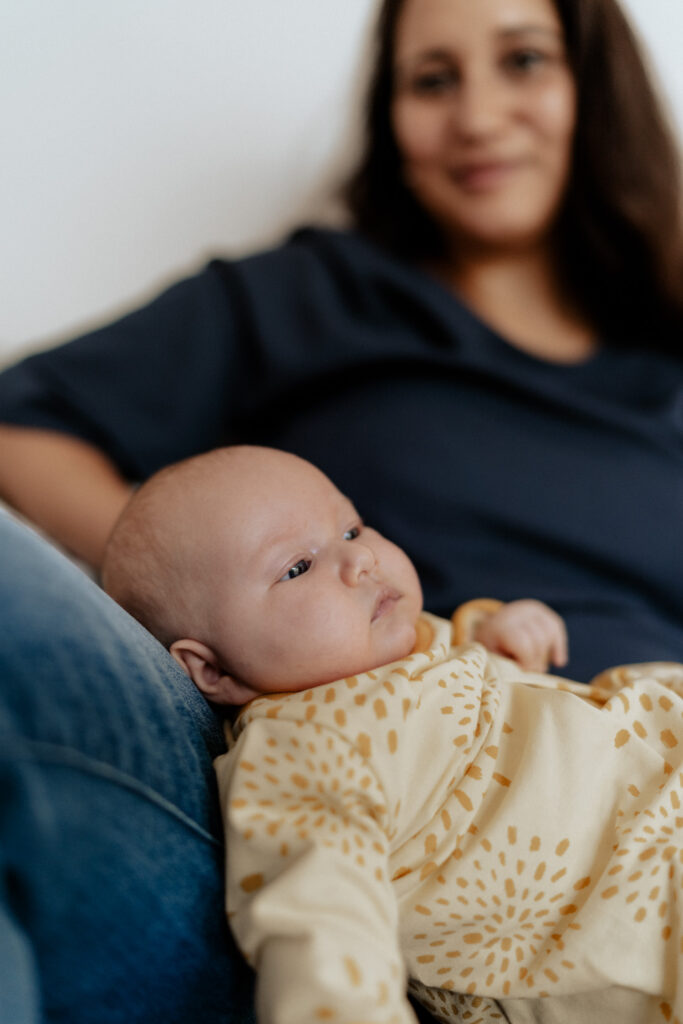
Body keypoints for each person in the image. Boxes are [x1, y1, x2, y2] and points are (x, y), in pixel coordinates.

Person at [1, 0, 682, 1018]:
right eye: (431, 79)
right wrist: (227, 609)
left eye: (521, 60)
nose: (477, 115)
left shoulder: (666, 363)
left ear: (593, 87)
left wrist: (482, 638)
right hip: (361, 804)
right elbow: (20, 424)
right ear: (390, 116)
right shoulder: (315, 294)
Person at [102, 445, 683, 1024]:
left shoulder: (387, 647)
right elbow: (322, 924)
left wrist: (501, 635)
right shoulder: (307, 747)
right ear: (213, 671)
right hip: (633, 912)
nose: (361, 563)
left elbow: (467, 682)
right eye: (296, 568)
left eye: (351, 529)